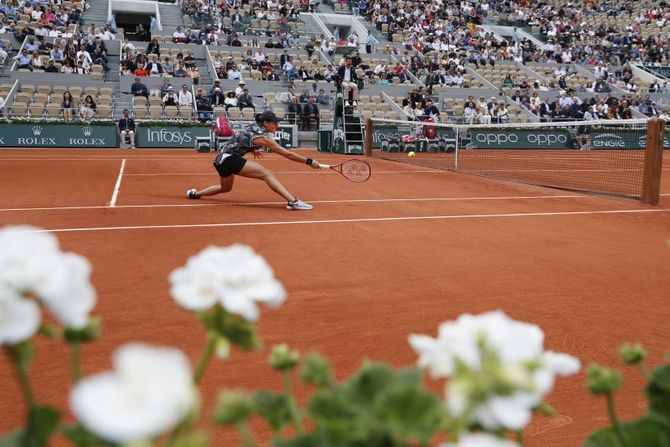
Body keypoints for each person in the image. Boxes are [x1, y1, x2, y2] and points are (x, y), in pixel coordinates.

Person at [186, 111, 320, 210]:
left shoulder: (253, 126)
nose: (277, 126)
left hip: (220, 160)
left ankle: (195, 194)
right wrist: (309, 161)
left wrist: (251, 150)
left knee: (225, 188)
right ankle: (293, 201)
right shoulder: (264, 137)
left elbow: (241, 140)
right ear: (266, 123)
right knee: (267, 173)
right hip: (230, 159)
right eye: (275, 123)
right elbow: (287, 154)